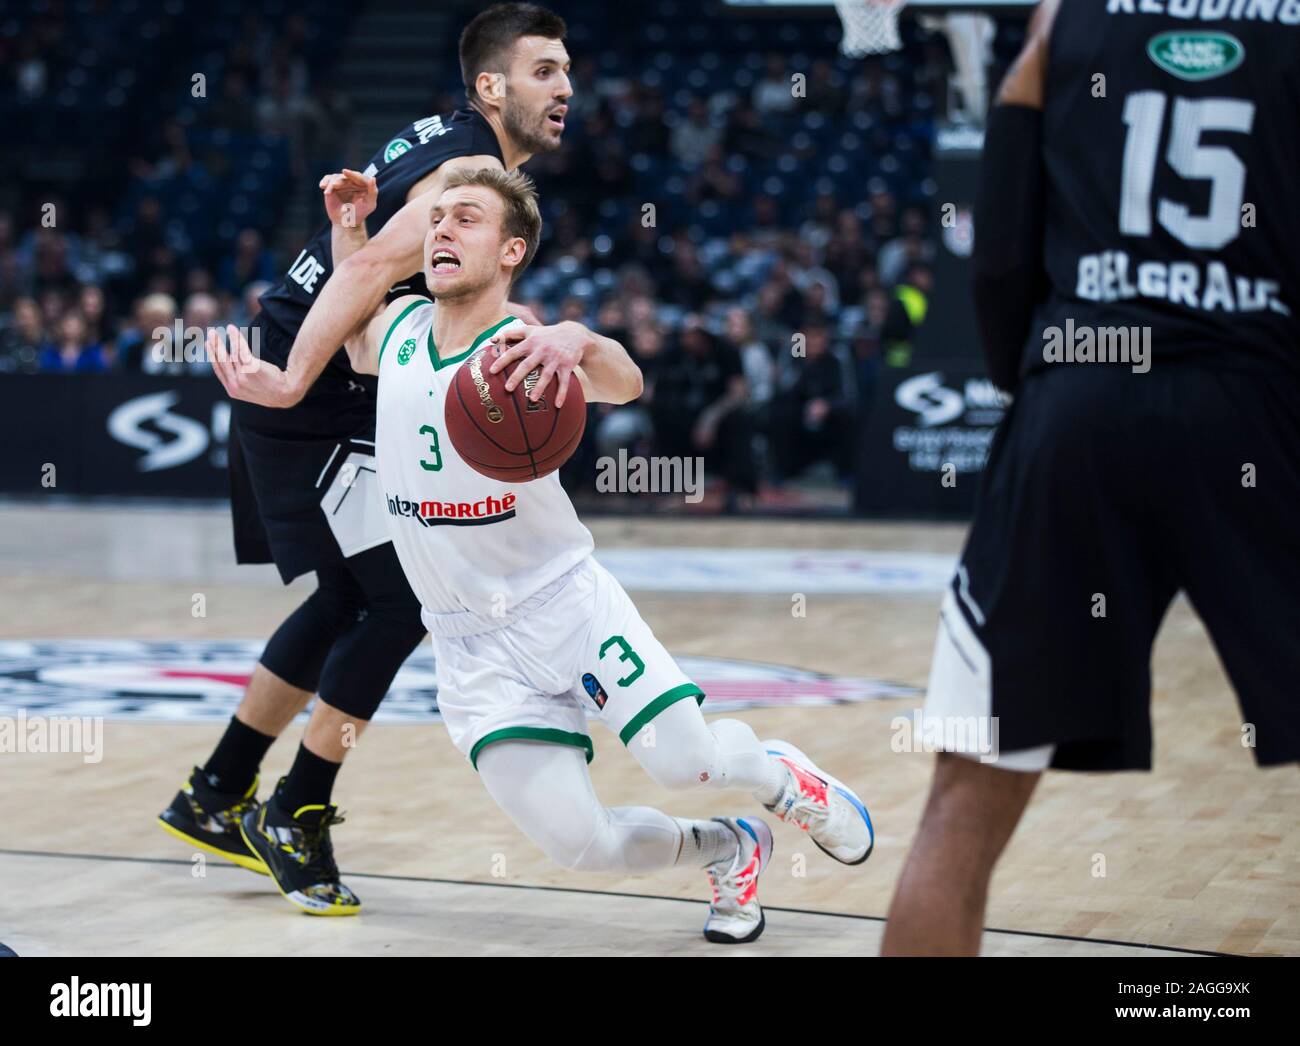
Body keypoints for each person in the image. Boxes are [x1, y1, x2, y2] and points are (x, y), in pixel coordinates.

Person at [214, 166, 875, 944]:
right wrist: (351, 227)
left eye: (466, 219)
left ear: (510, 251)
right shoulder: (394, 334)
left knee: (686, 763)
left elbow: (625, 384)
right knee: (581, 844)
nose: (441, 231)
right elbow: (354, 322)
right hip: (470, 648)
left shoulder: (521, 349)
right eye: (436, 219)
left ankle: (778, 776)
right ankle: (731, 848)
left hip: (565, 606)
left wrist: (580, 340)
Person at [883, 0, 1299, 956]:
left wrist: (1034, 391)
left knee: (964, 800)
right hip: (1254, 397)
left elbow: (999, 258)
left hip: (1081, 401)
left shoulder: (1062, 21)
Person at [161, 3, 580, 917]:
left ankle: (216, 793)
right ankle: (295, 811)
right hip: (310, 385)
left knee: (352, 597)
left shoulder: (458, 142)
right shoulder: (466, 165)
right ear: (491, 85)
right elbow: (357, 277)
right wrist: (289, 379)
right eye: (545, 71)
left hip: (332, 375)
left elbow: (362, 261)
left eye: (566, 71)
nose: (566, 90)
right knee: (397, 601)